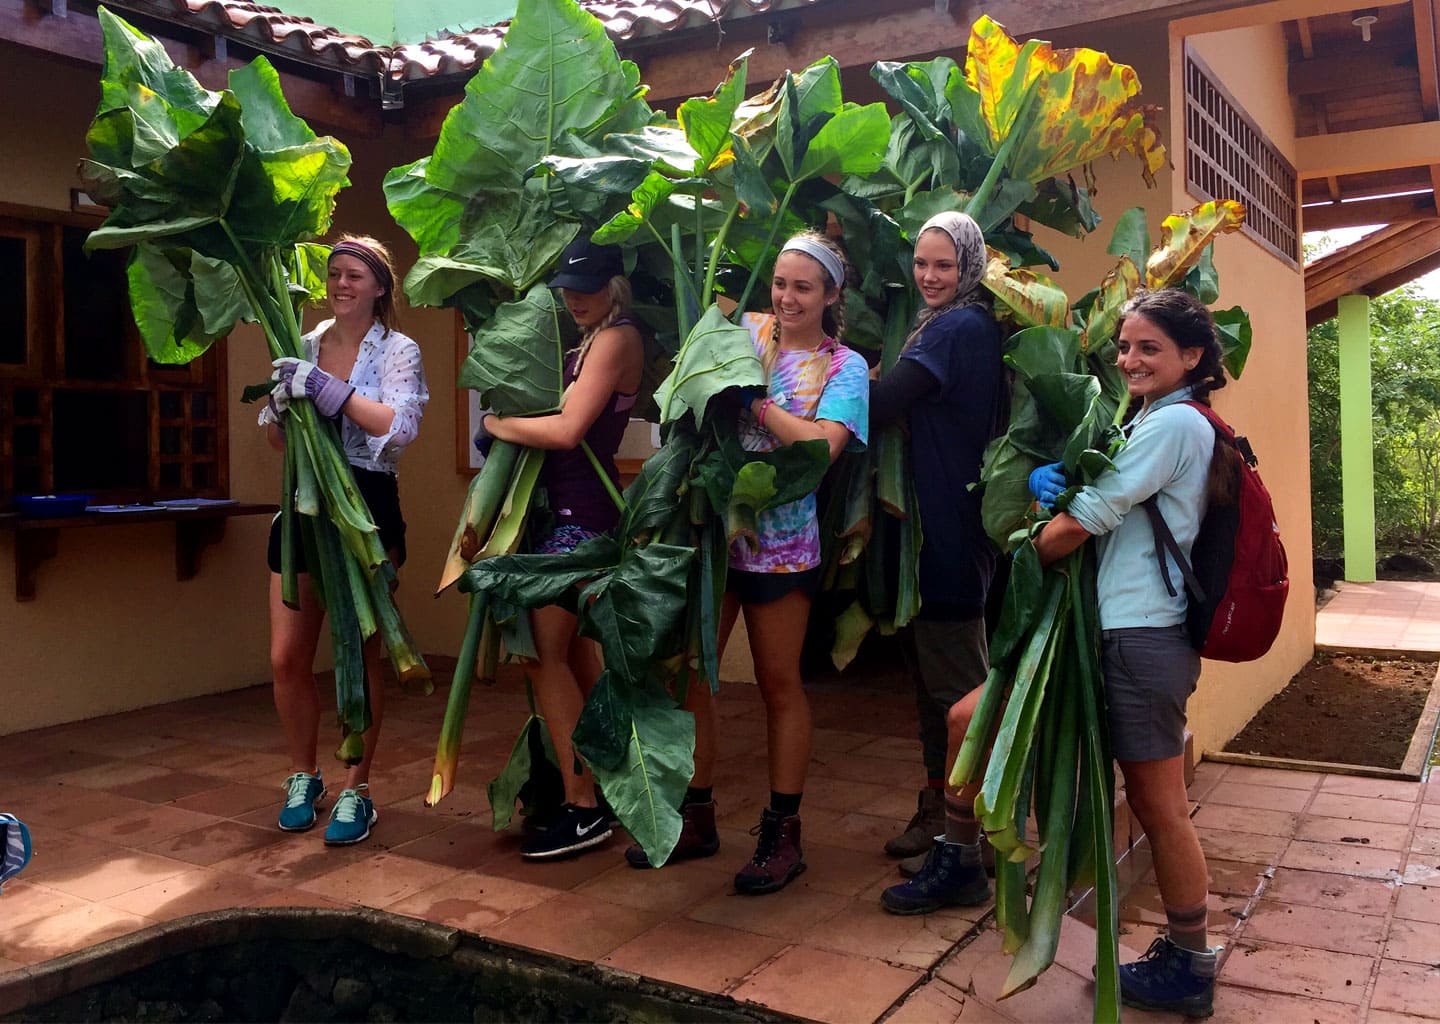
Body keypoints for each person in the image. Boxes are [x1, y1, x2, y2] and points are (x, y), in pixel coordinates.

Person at [890, 288, 1227, 1017]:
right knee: (967, 721)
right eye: (1126, 346)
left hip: (1140, 637)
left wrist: (1028, 539)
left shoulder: (1176, 426)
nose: (1131, 359)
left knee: (1158, 802)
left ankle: (1192, 959)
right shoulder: (1139, 417)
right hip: (1096, 630)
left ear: (1192, 357)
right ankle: (960, 860)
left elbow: (1083, 524)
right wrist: (1055, 488)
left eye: (1150, 348)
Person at [625, 231, 869, 894]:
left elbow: (822, 448)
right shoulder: (749, 331)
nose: (787, 297)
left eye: (804, 287)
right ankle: (695, 815)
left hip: (784, 549)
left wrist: (755, 402)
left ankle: (782, 833)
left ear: (830, 296)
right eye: (781, 283)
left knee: (777, 683)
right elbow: (687, 373)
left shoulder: (844, 367)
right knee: (694, 675)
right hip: (712, 536)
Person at [475, 236, 644, 860]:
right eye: (568, 288)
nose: (575, 298)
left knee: (542, 655)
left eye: (587, 288)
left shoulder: (615, 338)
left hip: (582, 517)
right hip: (564, 513)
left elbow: (569, 430)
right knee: (574, 659)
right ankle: (605, 792)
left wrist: (494, 426)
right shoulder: (587, 335)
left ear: (614, 286)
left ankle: (583, 809)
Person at [263, 235, 428, 846]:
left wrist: (333, 393)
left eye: (355, 275)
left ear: (380, 286)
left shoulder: (398, 349)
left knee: (361, 654)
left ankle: (358, 787)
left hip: (367, 503)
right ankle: (304, 775)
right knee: (287, 658)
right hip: (301, 502)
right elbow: (277, 444)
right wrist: (285, 409)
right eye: (334, 274)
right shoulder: (301, 344)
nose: (341, 284)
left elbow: (401, 427)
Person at [867, 211, 1004, 870]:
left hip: (950, 532)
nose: (929, 276)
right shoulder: (954, 326)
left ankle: (968, 841)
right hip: (942, 532)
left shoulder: (958, 327)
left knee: (958, 694)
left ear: (969, 268)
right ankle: (937, 811)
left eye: (944, 266)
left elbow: (882, 402)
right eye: (921, 264)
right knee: (935, 687)